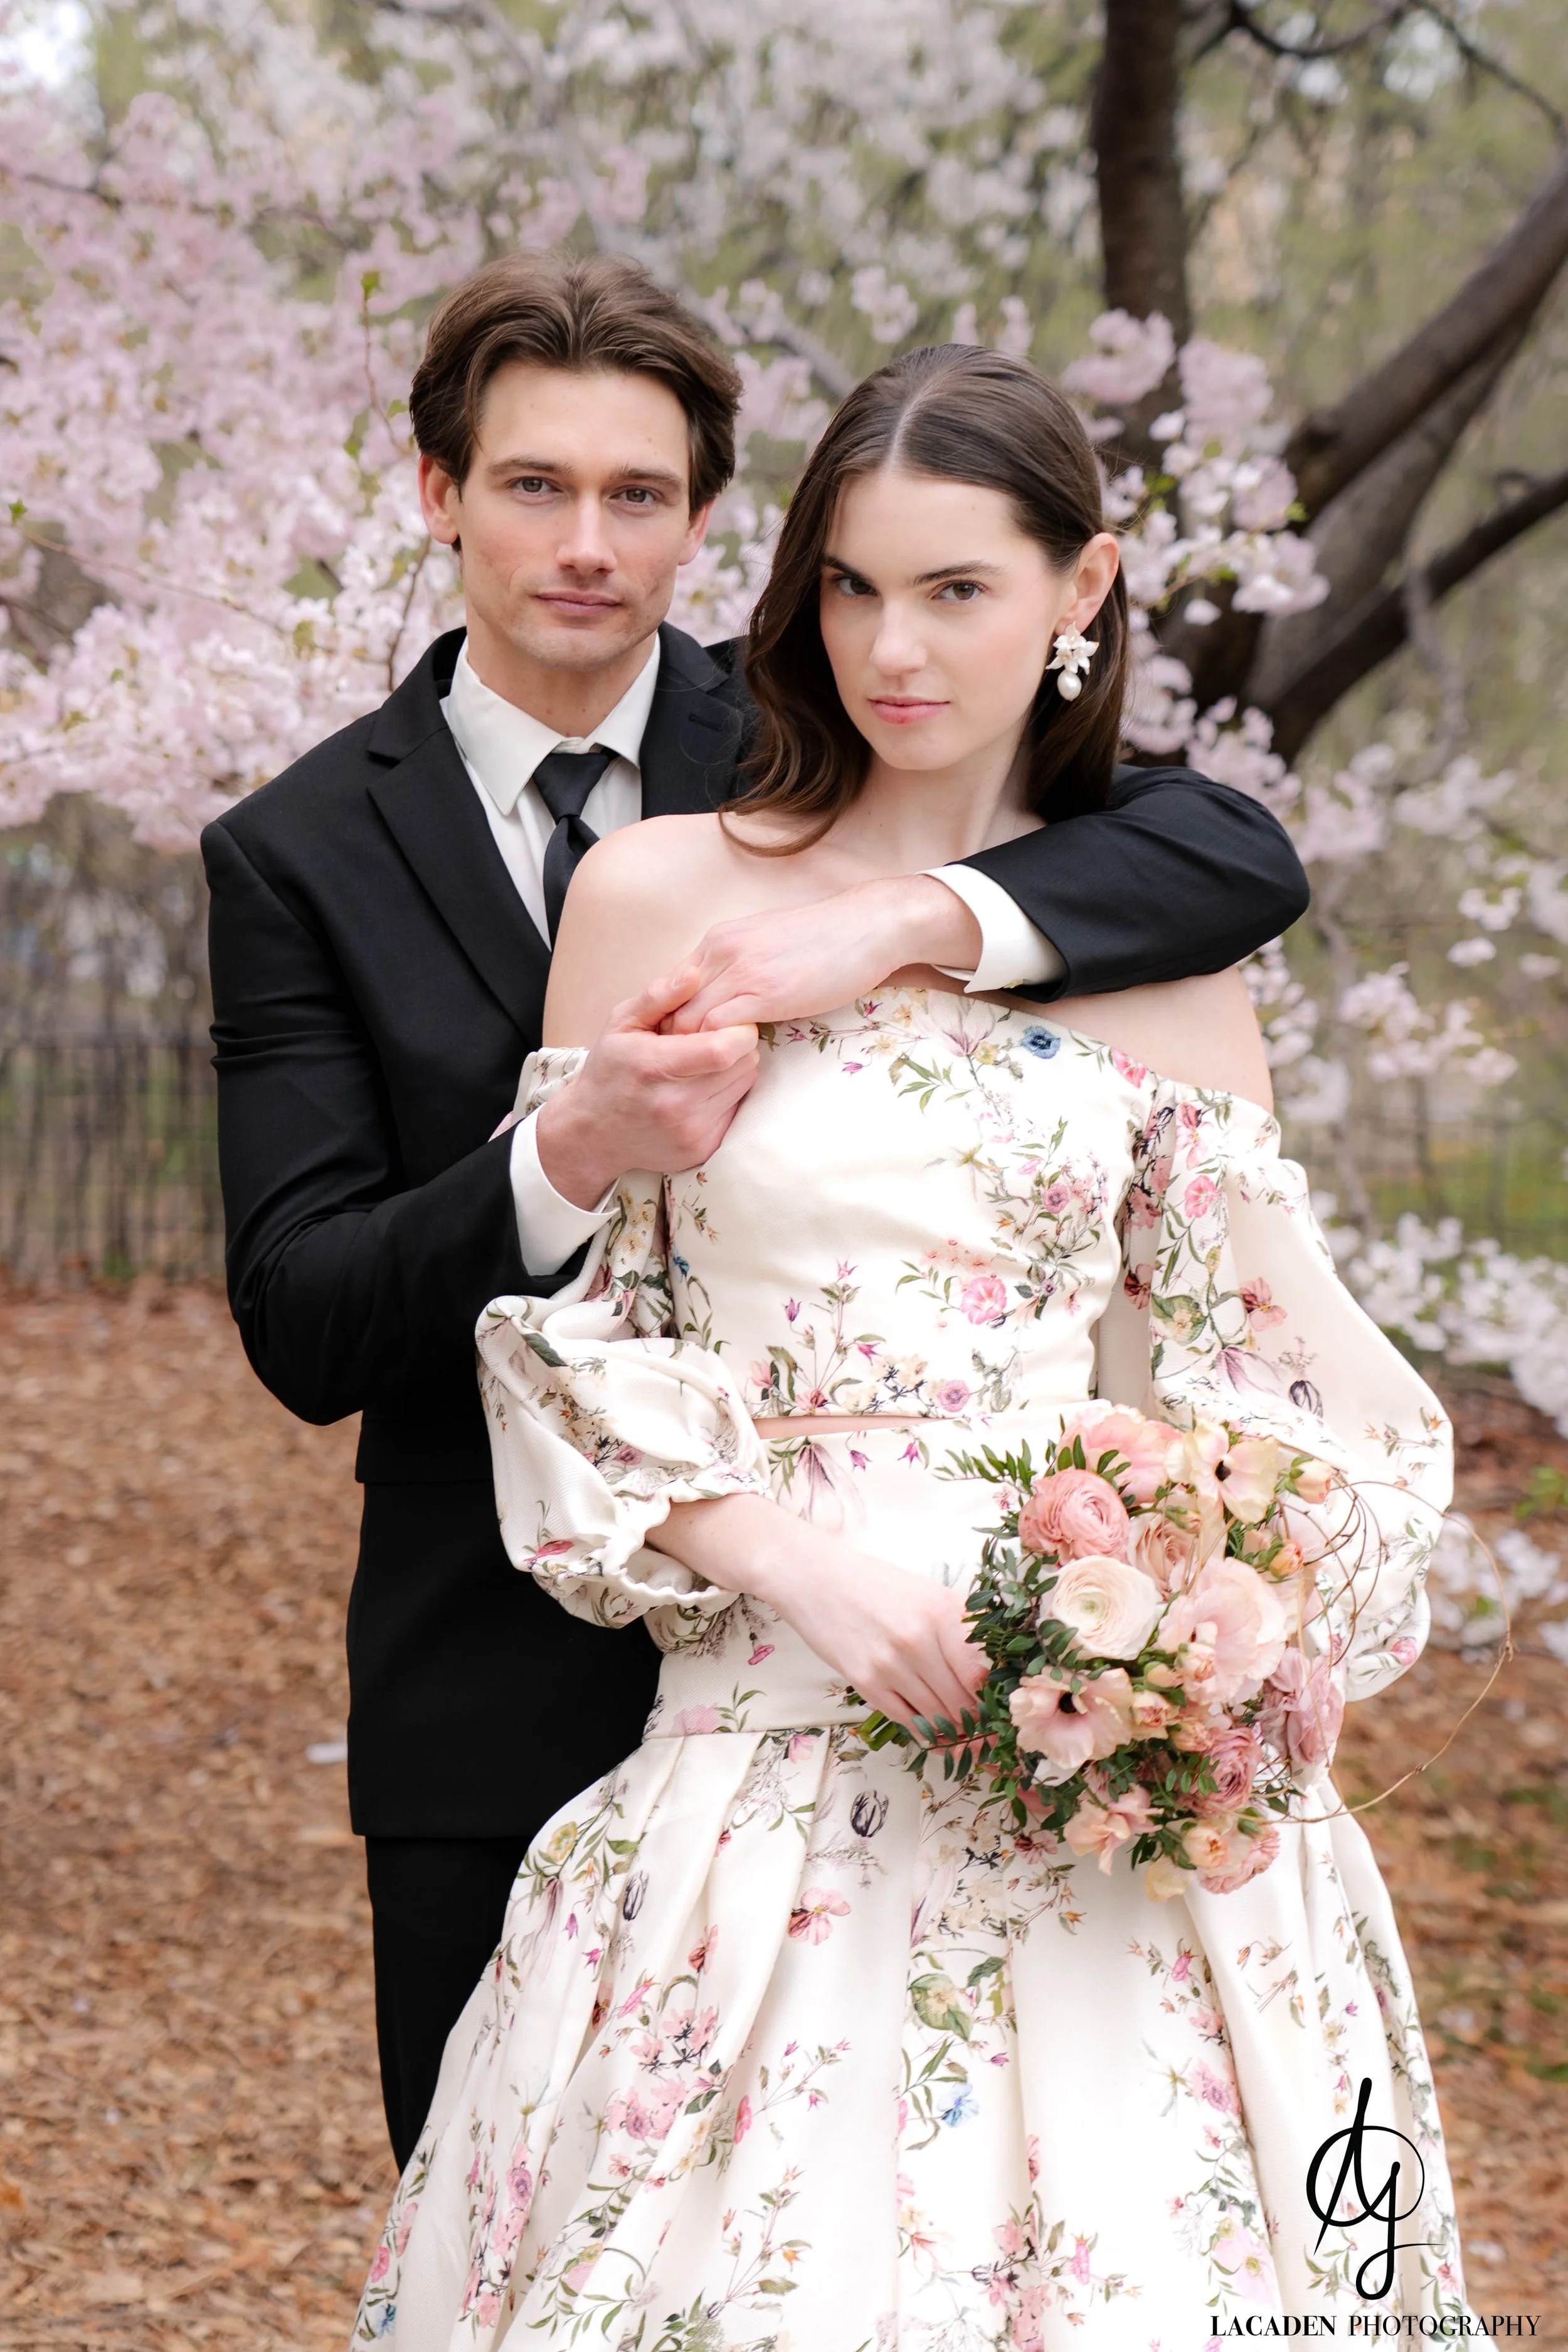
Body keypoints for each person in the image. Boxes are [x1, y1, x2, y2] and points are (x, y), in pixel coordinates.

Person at [351, 341, 1471, 2341]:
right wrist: (787, 1566)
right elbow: (570, 1323)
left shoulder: (1179, 973)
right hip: (762, 1738)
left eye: (957, 589)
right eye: (852, 586)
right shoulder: (662, 890)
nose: (893, 646)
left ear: (1083, 589)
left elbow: (1254, 1368)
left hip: (1105, 1767)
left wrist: (1253, 1623)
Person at [201, 253, 1310, 2173]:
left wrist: (901, 917)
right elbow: (305, 1316)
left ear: (708, 521)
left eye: (639, 497)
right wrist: (569, 1150)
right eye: (533, 485)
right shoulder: (294, 848)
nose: (586, 544)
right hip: (507, 1657)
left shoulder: (842, 732)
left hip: (964, 1664)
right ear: (435, 489)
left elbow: (1223, 852)